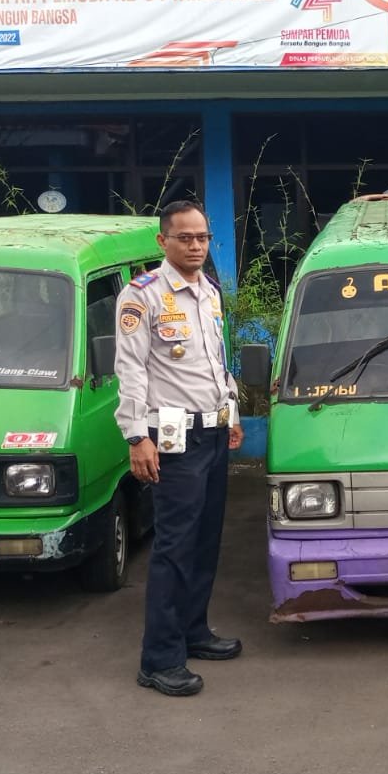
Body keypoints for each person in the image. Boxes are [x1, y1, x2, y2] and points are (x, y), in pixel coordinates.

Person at [114, 200, 245, 697]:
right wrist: (135, 437)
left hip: (212, 431)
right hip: (170, 437)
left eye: (203, 238)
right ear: (163, 241)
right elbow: (130, 371)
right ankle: (159, 658)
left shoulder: (208, 291)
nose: (196, 246)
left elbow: (216, 362)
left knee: (206, 539)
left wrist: (230, 413)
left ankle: (193, 631)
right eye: (186, 238)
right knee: (173, 547)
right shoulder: (141, 296)